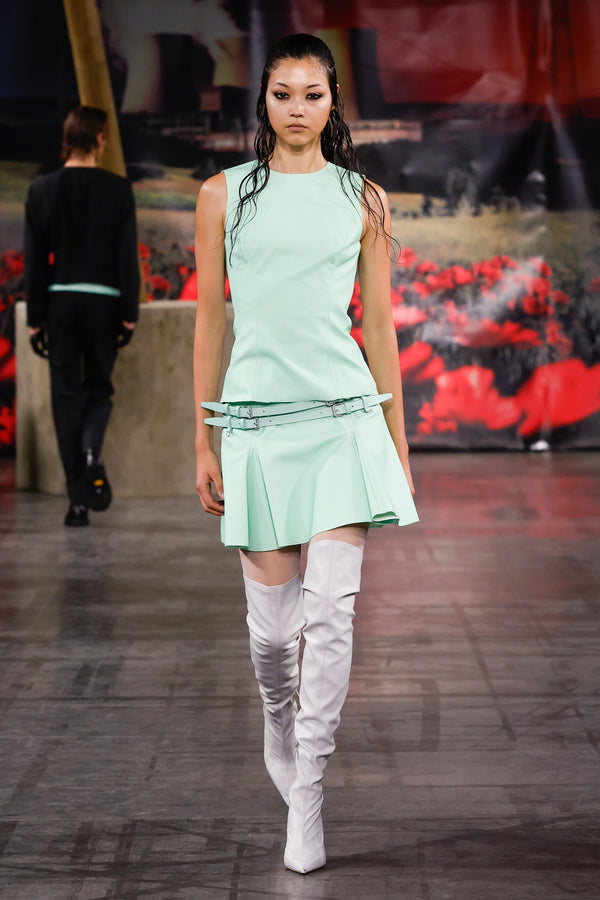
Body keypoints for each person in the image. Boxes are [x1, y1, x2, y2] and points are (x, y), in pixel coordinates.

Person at [193, 33, 418, 874]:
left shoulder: (365, 199)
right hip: (256, 426)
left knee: (331, 614)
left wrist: (396, 447)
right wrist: (202, 436)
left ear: (332, 103)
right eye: (282, 93)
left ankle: (310, 793)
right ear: (264, 100)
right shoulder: (223, 195)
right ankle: (278, 720)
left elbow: (381, 329)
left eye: (312, 94)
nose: (296, 108)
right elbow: (209, 321)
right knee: (273, 638)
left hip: (340, 421)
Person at [24, 105, 139, 527]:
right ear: (100, 139)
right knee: (99, 389)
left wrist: (35, 317)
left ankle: (76, 501)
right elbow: (127, 257)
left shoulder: (41, 190)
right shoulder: (118, 189)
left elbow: (36, 261)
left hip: (60, 305)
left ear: (67, 139)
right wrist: (129, 312)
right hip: (105, 304)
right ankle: (92, 448)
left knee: (65, 397)